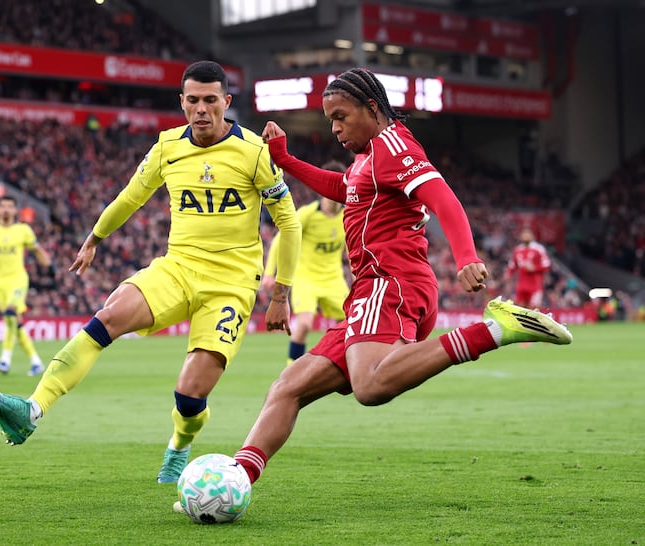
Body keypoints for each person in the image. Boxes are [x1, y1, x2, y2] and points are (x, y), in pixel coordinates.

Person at [230, 67, 573, 486]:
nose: (335, 128)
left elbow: (443, 197)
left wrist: (466, 255)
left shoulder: (392, 146)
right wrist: (284, 160)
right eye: (330, 120)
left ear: (371, 107)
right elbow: (344, 189)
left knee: (370, 386)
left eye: (341, 117)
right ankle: (236, 479)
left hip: (390, 283)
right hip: (373, 291)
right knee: (289, 386)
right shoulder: (366, 158)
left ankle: (494, 331)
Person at [0, 60, 302, 484]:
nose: (202, 109)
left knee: (191, 395)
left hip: (231, 285)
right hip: (178, 268)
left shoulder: (255, 152)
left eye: (210, 100)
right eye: (193, 100)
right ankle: (32, 410)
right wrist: (95, 236)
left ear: (226, 102)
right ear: (182, 103)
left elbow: (289, 223)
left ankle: (180, 443)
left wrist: (280, 295)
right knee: (109, 315)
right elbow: (131, 197)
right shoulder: (168, 146)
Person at [262, 160, 348, 365]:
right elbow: (281, 238)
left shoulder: (348, 215)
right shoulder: (308, 214)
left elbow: (352, 251)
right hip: (306, 277)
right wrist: (269, 273)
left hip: (333, 278)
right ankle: (293, 369)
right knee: (305, 324)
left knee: (350, 324)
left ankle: (342, 364)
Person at [0, 195, 54, 376]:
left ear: (15, 210)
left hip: (18, 279)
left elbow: (37, 249)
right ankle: (36, 362)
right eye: (3, 206)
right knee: (13, 321)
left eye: (10, 206)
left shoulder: (23, 230)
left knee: (11, 313)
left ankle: (5, 360)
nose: (6, 210)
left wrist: (49, 266)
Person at [504, 227, 551, 309]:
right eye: (524, 234)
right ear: (521, 236)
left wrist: (535, 268)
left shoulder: (539, 249)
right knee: (521, 308)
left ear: (532, 236)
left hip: (535, 285)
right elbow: (512, 264)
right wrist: (508, 273)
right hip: (521, 285)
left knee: (533, 309)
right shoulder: (518, 250)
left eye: (528, 234)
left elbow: (547, 265)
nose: (526, 236)